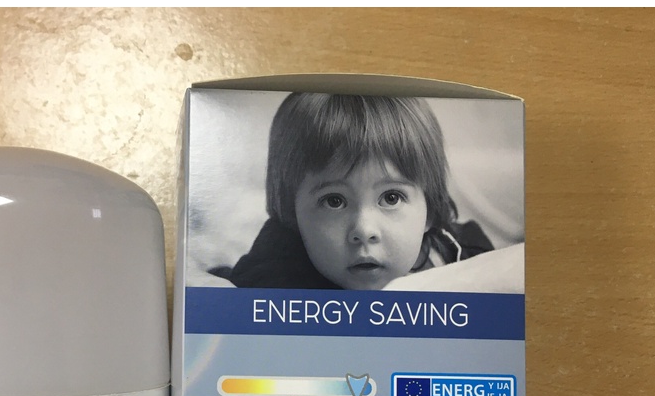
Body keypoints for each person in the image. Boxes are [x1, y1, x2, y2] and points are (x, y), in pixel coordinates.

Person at [210, 93, 494, 291]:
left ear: (430, 210)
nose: (364, 231)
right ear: (292, 214)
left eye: (391, 198)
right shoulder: (275, 272)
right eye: (334, 201)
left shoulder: (465, 254)